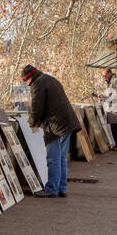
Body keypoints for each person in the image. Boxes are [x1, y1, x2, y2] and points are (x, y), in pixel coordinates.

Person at [22, 63, 82, 198]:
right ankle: (61, 188)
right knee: (61, 157)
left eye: (26, 81)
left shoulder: (37, 84)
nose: (27, 84)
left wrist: (31, 123)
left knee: (53, 158)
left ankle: (51, 189)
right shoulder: (50, 79)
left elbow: (37, 108)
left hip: (55, 126)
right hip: (68, 123)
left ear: (30, 77)